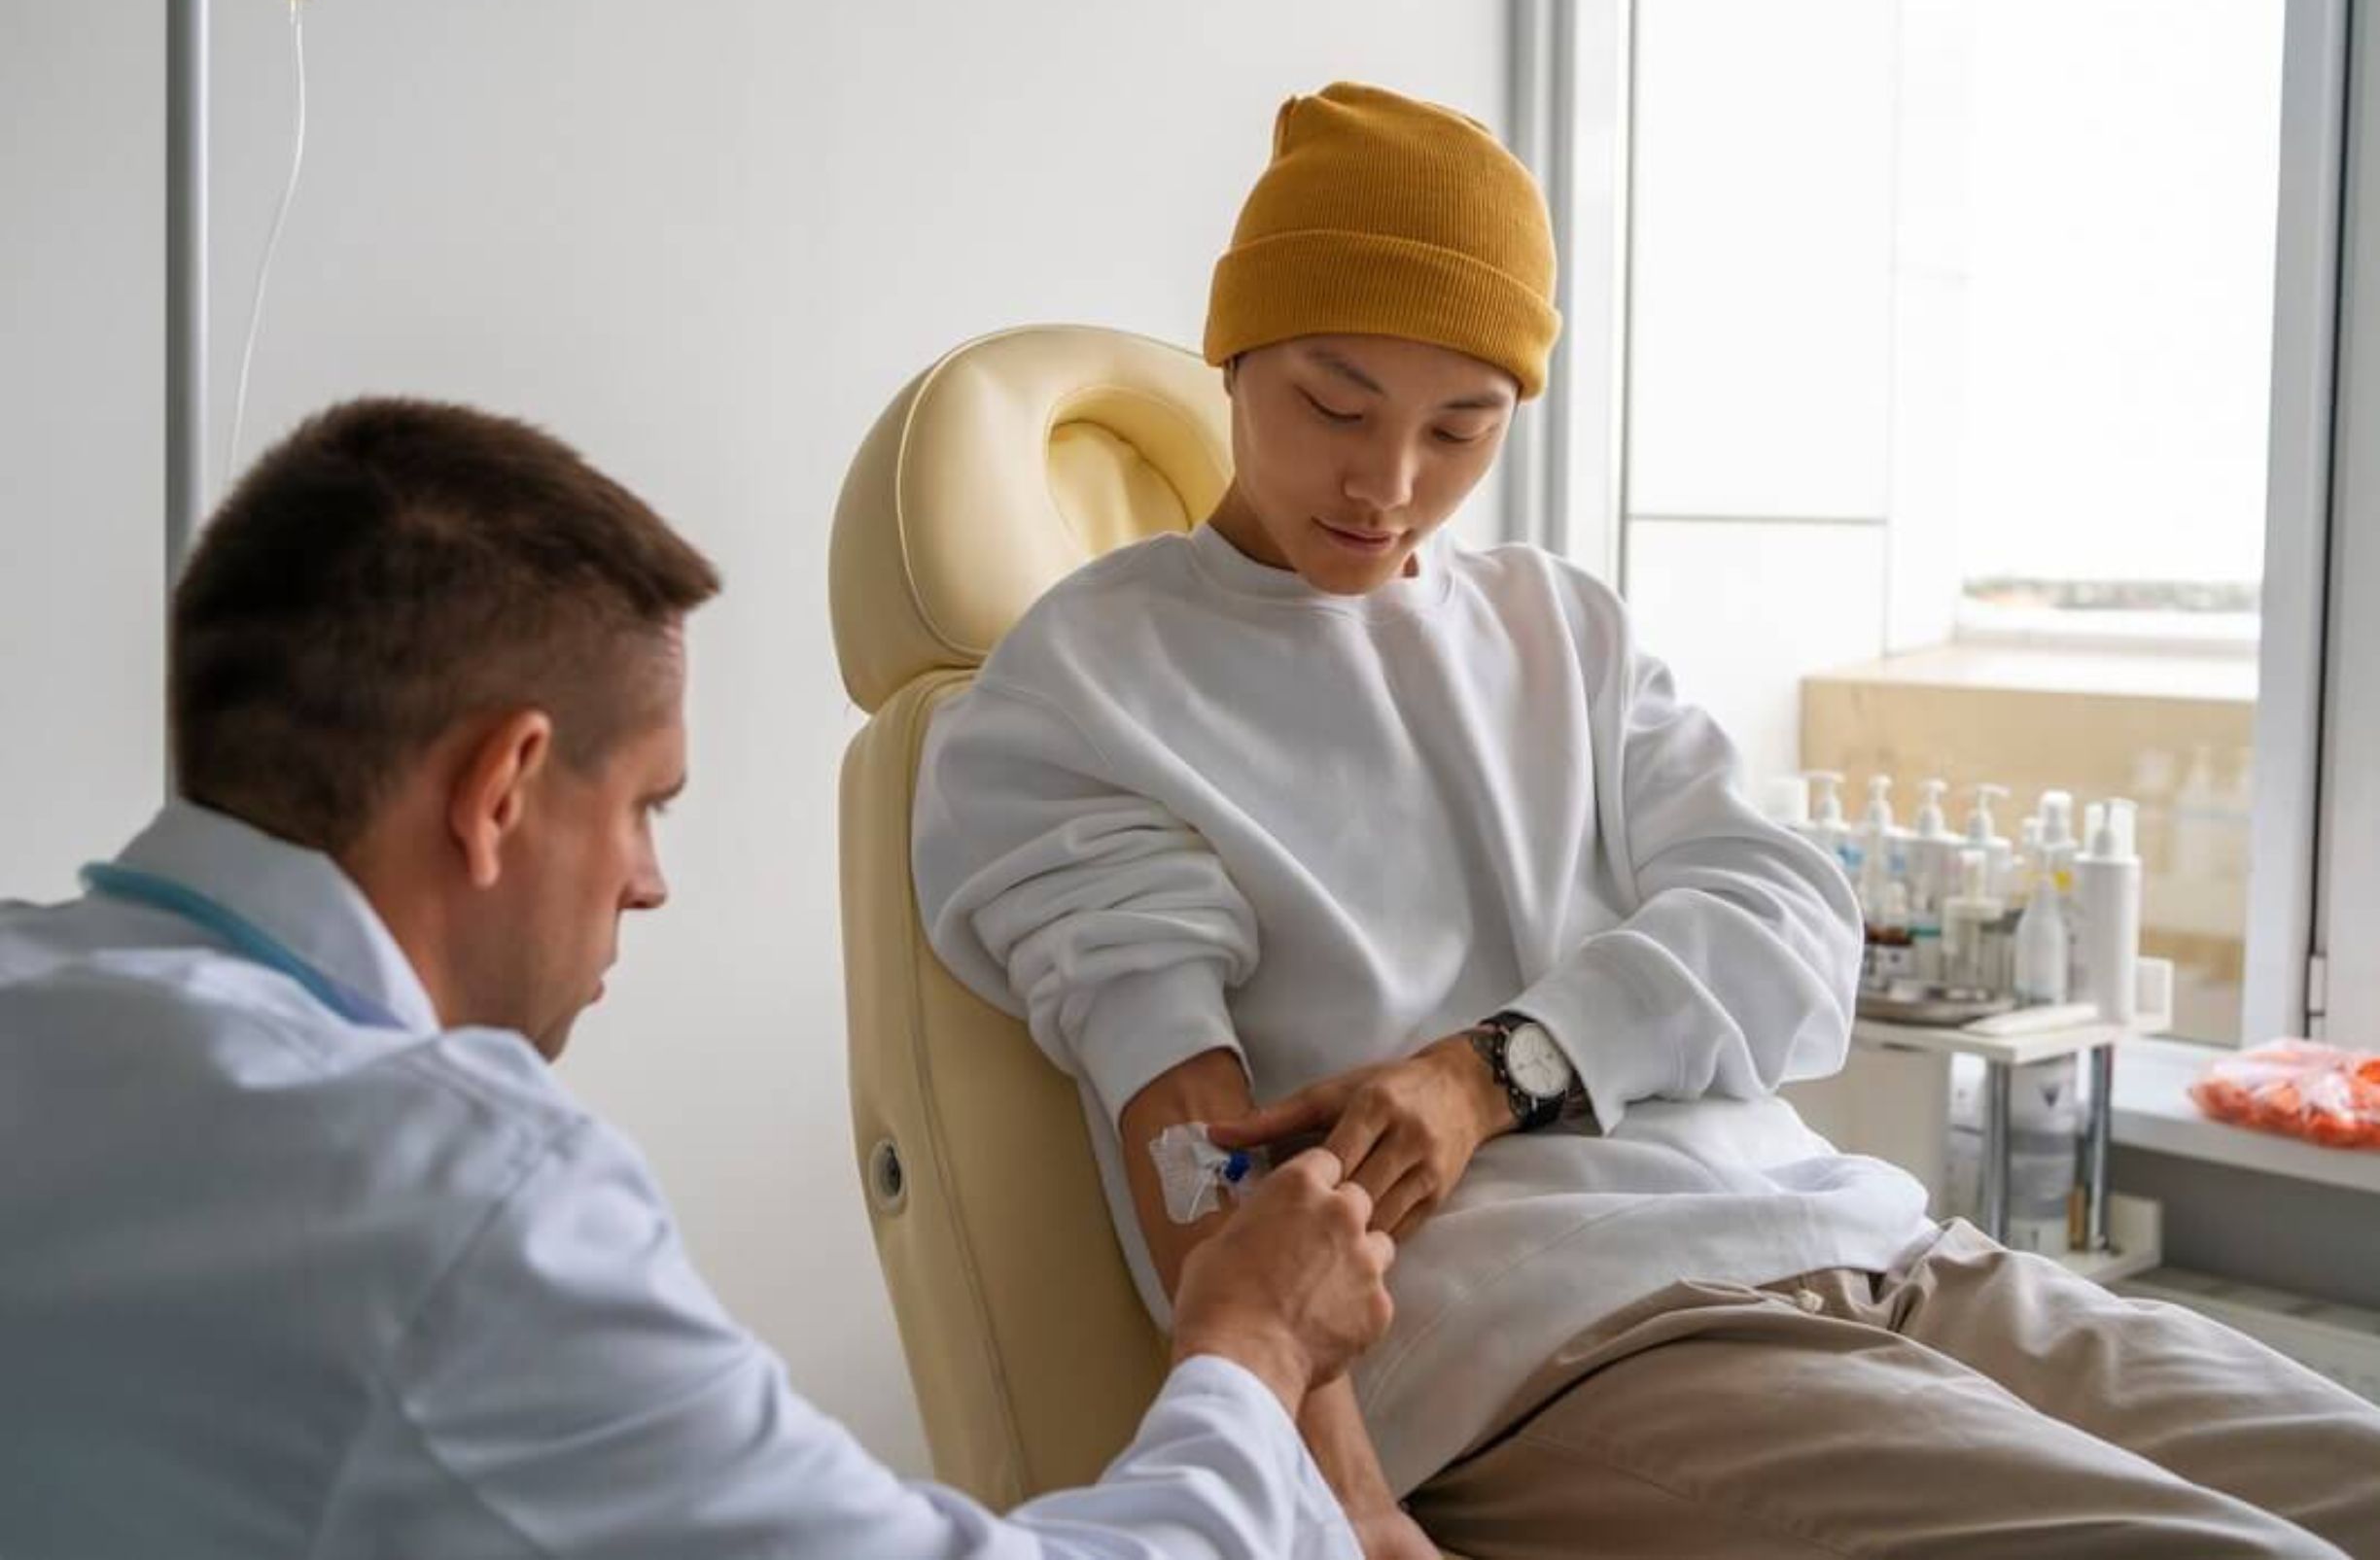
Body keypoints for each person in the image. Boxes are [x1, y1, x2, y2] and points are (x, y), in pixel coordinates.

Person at [912, 82, 2380, 1559]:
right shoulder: (1085, 692)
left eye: (1461, 427)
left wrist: (1491, 1072)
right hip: (1558, 1347)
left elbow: (1793, 925)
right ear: (1233, 356)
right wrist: (1352, 1510)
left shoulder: (1561, 627)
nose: (1390, 483)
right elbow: (1195, 1161)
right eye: (1333, 403)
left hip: (1861, 1241)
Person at [0, 398, 1399, 1560]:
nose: (649, 882)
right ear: (502, 788)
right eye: (646, 807)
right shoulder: (452, 1197)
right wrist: (1253, 1347)